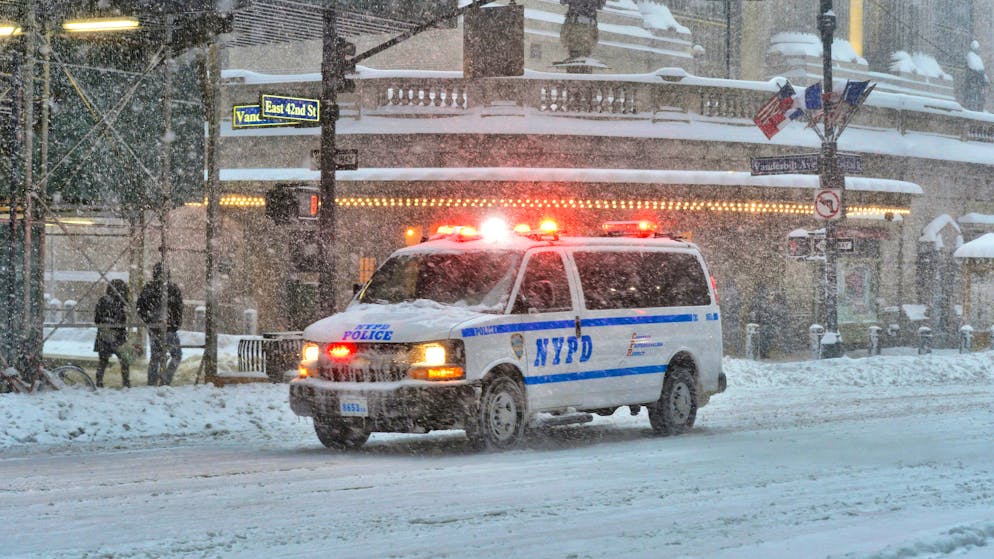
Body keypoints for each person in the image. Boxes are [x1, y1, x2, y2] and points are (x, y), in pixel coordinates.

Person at [137, 263, 183, 386]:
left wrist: (149, 322)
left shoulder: (148, 288)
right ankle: (166, 379)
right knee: (177, 355)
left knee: (155, 358)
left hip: (154, 329)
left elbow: (140, 308)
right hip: (169, 329)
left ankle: (151, 383)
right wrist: (174, 325)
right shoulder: (173, 288)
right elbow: (179, 308)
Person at [93, 279, 131, 388]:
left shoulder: (103, 300)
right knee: (124, 359)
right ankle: (126, 383)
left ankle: (99, 382)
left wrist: (105, 323)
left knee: (103, 360)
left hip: (103, 334)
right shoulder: (121, 302)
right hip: (118, 335)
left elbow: (97, 319)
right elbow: (122, 320)